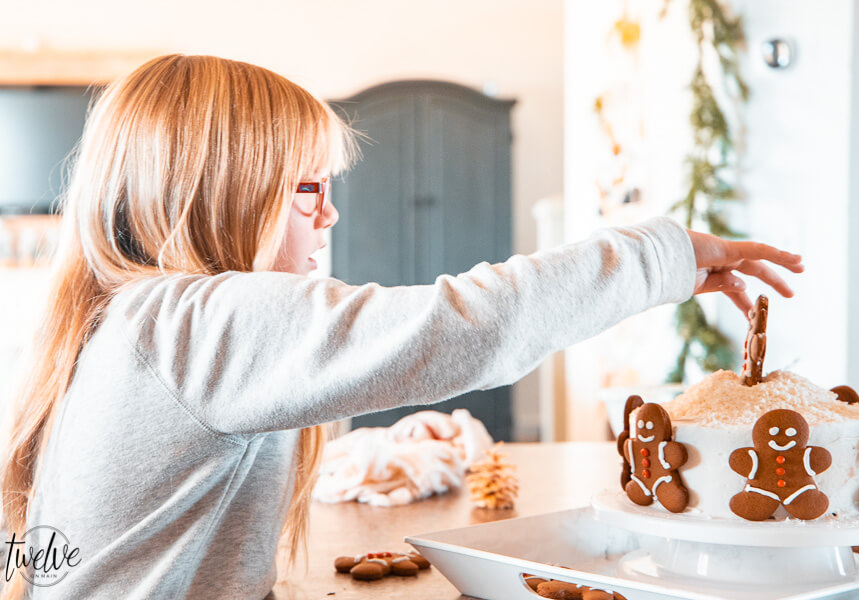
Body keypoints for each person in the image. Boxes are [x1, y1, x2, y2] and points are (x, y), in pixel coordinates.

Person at [0, 54, 803, 599]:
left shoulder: (127, 320)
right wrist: (656, 256)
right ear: (225, 193)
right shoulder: (198, 321)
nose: (330, 216)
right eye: (309, 189)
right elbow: (464, 327)